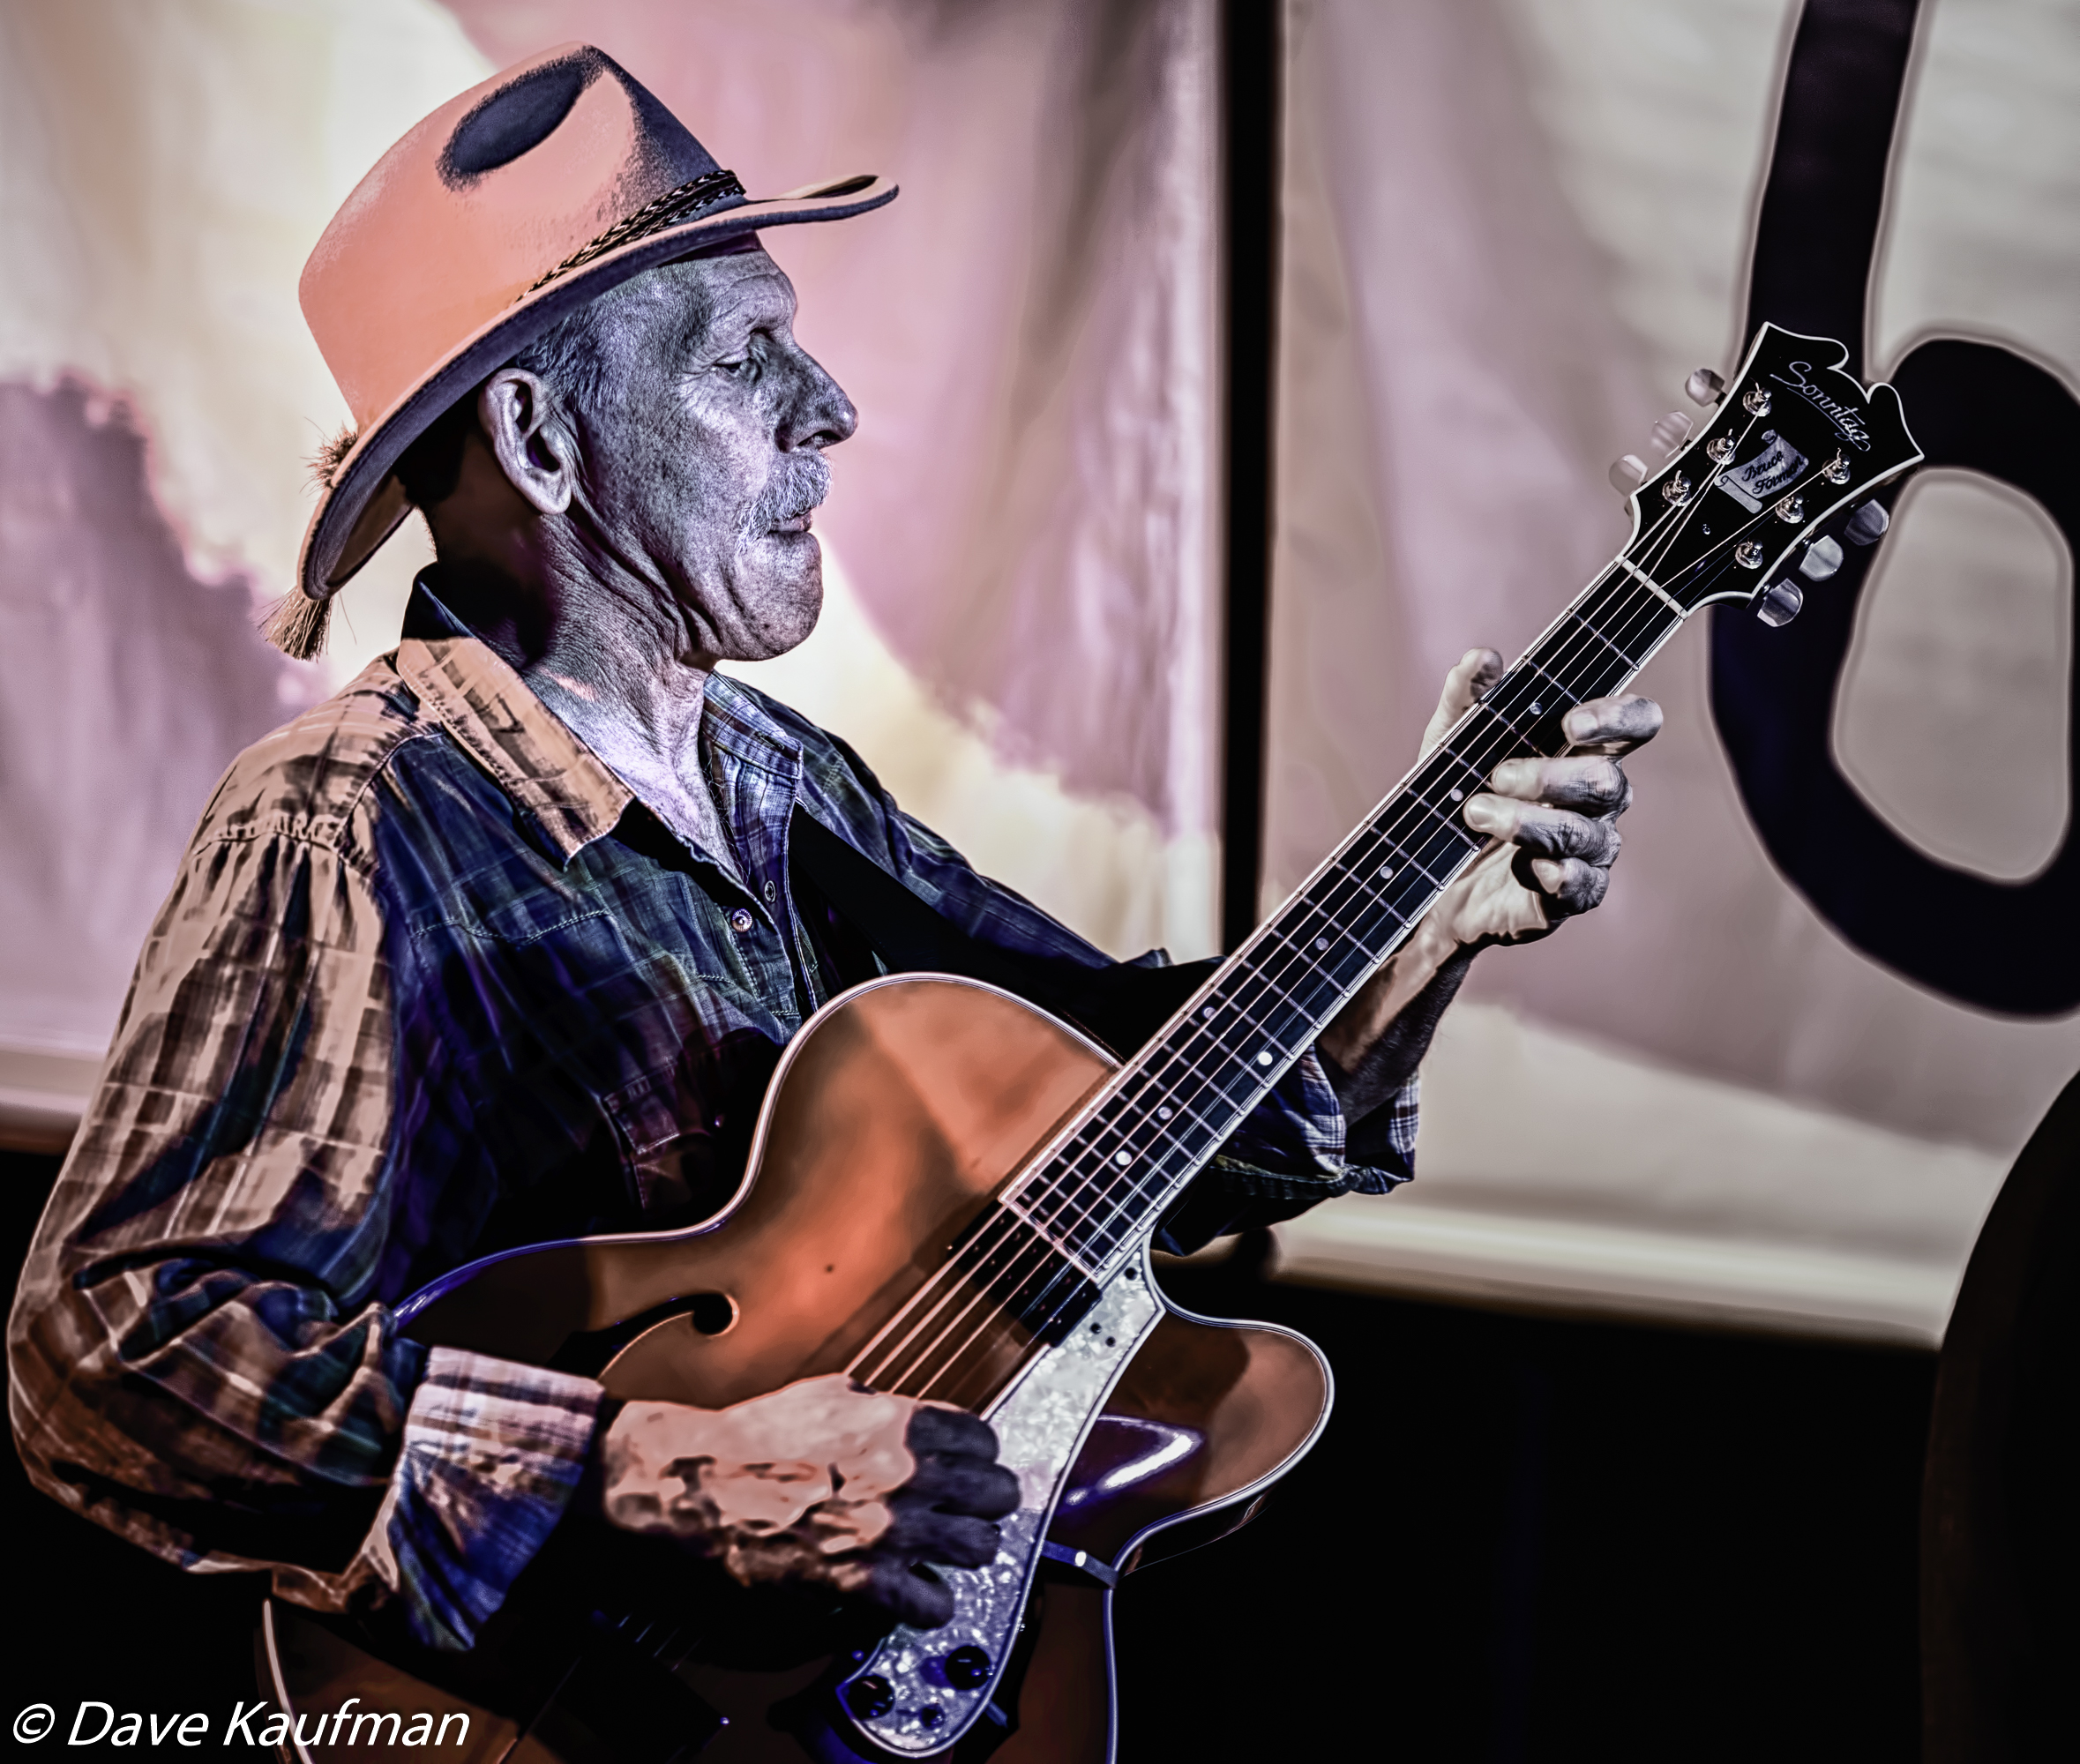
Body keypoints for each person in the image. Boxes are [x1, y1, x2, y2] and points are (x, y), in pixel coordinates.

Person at [9, 46, 1658, 1669]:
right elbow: (108, 1351)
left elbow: (1120, 1132)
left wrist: (1422, 939)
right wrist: (670, 1474)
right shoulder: (353, 819)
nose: (833, 408)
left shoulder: (781, 783)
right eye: (745, 359)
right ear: (540, 441)